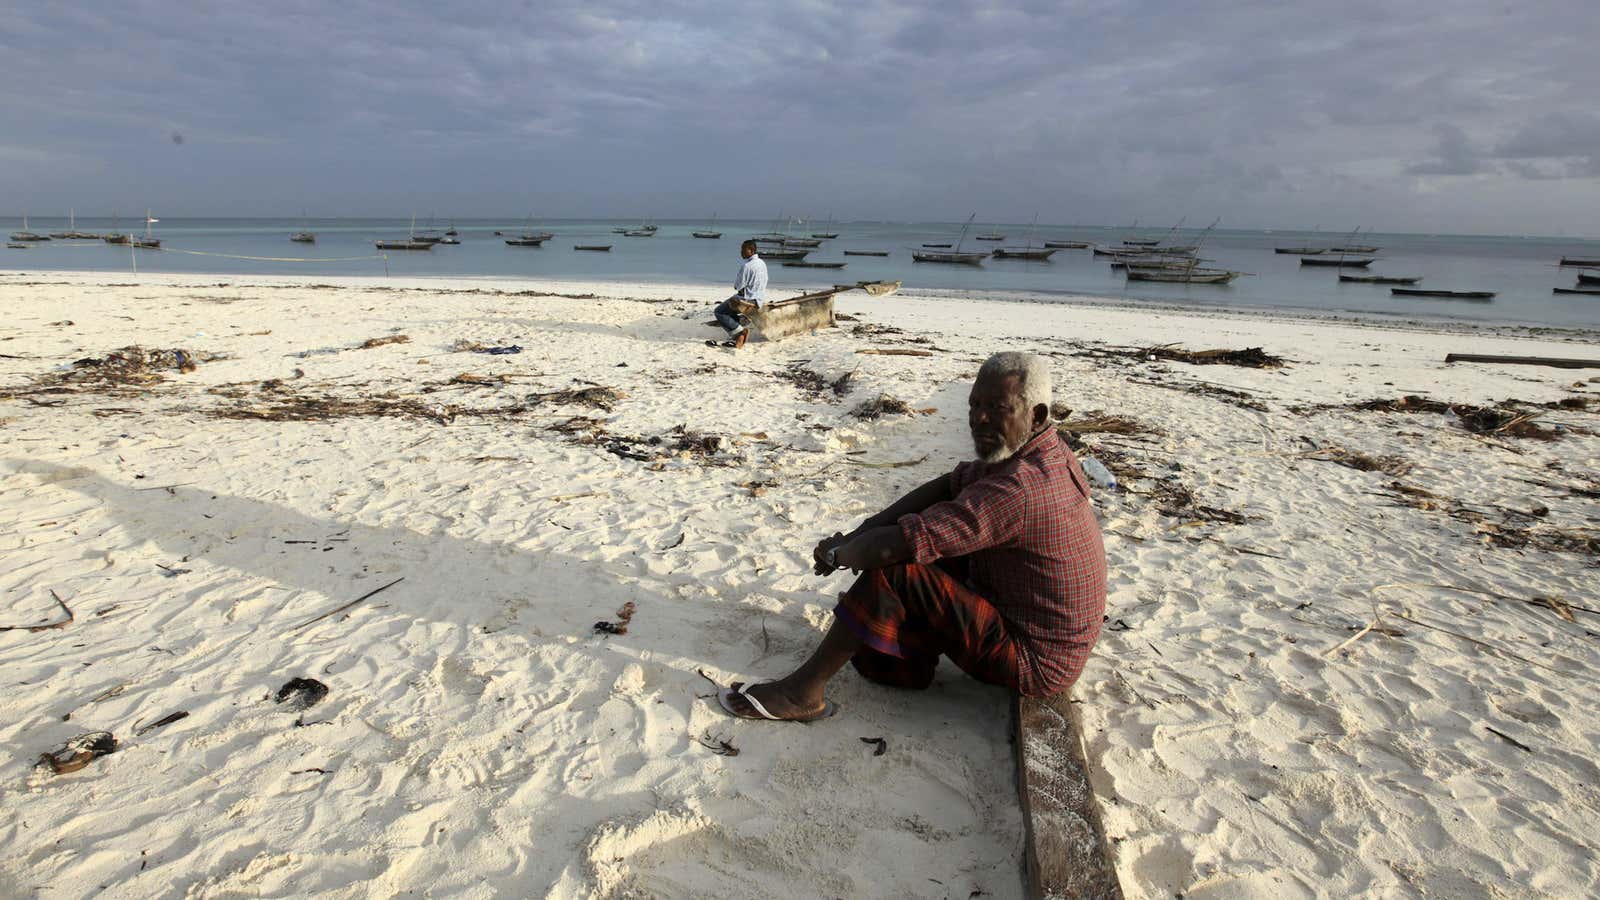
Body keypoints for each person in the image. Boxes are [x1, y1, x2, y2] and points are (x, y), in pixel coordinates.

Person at [719, 351, 1107, 721]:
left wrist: (840, 554)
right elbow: (949, 484)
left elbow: (893, 546)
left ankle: (802, 693)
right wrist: (859, 534)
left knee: (893, 570)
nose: (979, 419)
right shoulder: (1043, 452)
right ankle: (905, 661)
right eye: (974, 405)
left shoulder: (1018, 489)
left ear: (1036, 415)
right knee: (905, 552)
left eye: (997, 408)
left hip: (1034, 661)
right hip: (1033, 623)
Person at [710, 239, 768, 349]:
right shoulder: (762, 263)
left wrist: (742, 289)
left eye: (743, 250)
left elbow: (737, 286)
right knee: (730, 309)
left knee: (719, 312)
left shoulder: (747, 266)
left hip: (747, 299)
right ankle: (737, 335)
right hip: (759, 299)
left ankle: (740, 332)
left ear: (751, 250)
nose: (741, 252)